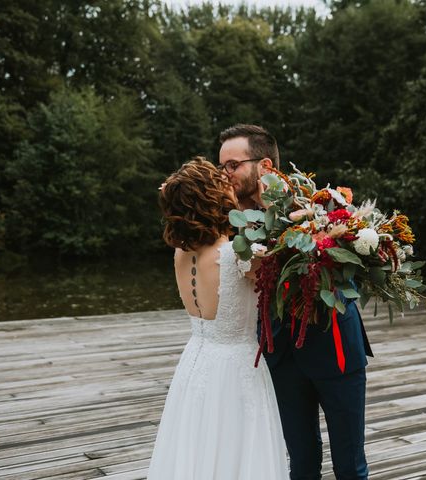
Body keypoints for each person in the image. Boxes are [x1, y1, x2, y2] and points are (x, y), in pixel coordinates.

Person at [219, 125, 374, 480]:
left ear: (265, 167)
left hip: (333, 349)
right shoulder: (228, 221)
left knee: (350, 466)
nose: (225, 175)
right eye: (221, 167)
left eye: (233, 165)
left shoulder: (316, 207)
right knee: (300, 465)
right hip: (281, 356)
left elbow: (347, 273)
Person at [148, 157, 289, 479]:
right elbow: (286, 269)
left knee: (197, 446)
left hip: (195, 362)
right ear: (215, 196)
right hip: (235, 367)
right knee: (236, 448)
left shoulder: (181, 253)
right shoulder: (238, 255)